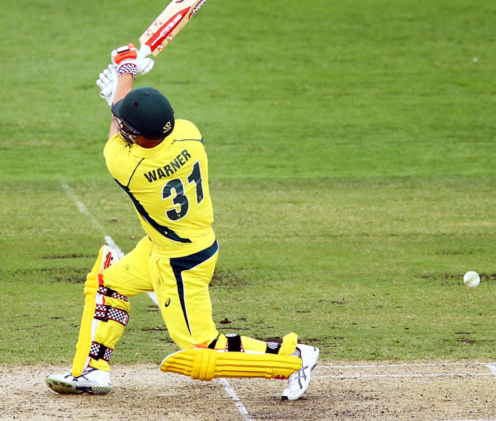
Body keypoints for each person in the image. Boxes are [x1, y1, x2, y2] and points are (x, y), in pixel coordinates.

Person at [46, 44, 318, 400]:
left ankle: (294, 355)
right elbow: (128, 127)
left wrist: (124, 74)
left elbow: (118, 132)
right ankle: (93, 372)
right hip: (166, 246)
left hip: (182, 263)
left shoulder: (132, 168)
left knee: (202, 348)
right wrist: (122, 83)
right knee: (107, 285)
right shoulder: (189, 133)